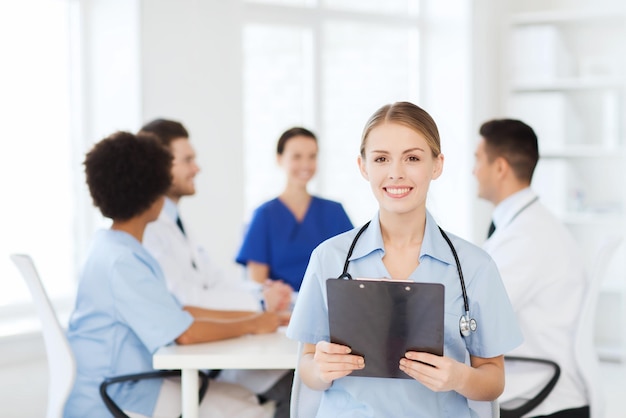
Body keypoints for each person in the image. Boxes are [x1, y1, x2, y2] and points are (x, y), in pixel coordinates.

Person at [286, 101, 523, 416]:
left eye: (412, 158)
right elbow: (307, 366)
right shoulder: (329, 259)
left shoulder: (474, 267)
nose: (396, 173)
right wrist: (321, 370)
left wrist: (459, 376)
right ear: (363, 166)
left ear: (436, 165)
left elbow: (493, 378)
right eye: (381, 158)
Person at [65, 131, 283, 418]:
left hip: (122, 384)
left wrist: (261, 319)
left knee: (245, 396)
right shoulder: (123, 261)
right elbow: (186, 334)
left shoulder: (113, 247)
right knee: (254, 407)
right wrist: (253, 324)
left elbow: (181, 312)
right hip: (122, 395)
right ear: (153, 192)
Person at [139, 118, 293, 418]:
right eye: (188, 160)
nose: (197, 168)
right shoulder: (151, 230)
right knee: (294, 386)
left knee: (296, 379)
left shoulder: (175, 222)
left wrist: (261, 292)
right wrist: (259, 305)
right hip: (186, 364)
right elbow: (184, 299)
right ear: (159, 166)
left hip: (208, 353)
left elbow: (214, 280)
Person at [473, 118, 589, 417]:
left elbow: (480, 317)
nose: (473, 171)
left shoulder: (527, 237)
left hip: (545, 401)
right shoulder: (526, 225)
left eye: (478, 160)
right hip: (539, 389)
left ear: (499, 168)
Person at [235, 126, 353, 298]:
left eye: (312, 156)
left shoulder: (334, 212)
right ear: (279, 159)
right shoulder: (264, 216)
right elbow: (258, 288)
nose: (306, 164)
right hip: (284, 313)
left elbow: (353, 267)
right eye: (297, 157)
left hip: (330, 308)